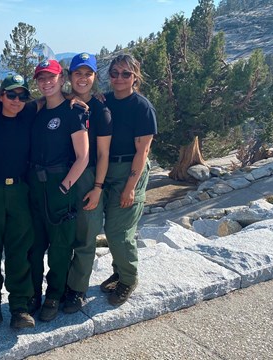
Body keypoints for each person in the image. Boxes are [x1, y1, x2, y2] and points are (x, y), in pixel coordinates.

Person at [27, 59, 89, 322]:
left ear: (61, 78)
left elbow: (82, 156)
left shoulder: (73, 111)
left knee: (60, 246)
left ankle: (54, 294)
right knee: (35, 244)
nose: (46, 82)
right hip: (35, 185)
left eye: (51, 77)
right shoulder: (37, 111)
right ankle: (33, 294)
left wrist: (65, 186)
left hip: (59, 185)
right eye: (41, 78)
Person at [0, 74, 37, 329]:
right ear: (0, 96)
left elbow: (53, 98)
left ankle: (19, 307)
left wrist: (77, 99)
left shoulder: (28, 116)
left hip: (19, 191)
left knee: (19, 249)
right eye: (11, 94)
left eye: (22, 95)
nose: (16, 100)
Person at [99, 54, 157, 306]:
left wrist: (130, 188)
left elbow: (142, 152)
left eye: (126, 73)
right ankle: (120, 271)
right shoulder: (105, 100)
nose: (119, 78)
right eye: (114, 73)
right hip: (105, 169)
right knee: (112, 227)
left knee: (118, 230)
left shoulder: (141, 107)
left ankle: (129, 278)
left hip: (129, 169)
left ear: (135, 76)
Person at [62, 53, 112, 314]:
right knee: (62, 236)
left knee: (85, 236)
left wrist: (98, 188)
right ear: (69, 77)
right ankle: (59, 284)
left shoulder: (101, 110)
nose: (82, 78)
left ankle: (77, 290)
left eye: (88, 74)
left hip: (89, 177)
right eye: (78, 73)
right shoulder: (62, 103)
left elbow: (103, 154)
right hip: (61, 175)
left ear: (94, 77)